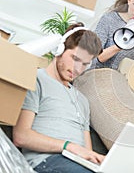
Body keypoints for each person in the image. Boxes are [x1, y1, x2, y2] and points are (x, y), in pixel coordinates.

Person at [13, 23, 105, 173]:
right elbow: (21, 136)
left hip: (78, 165)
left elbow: (87, 151)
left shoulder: (83, 101)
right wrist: (69, 146)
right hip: (46, 161)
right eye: (75, 58)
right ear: (60, 50)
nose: (78, 69)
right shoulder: (36, 79)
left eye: (85, 64)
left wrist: (96, 160)